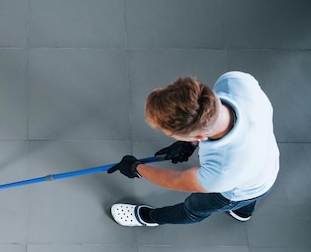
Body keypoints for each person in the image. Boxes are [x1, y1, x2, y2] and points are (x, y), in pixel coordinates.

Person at [107, 71, 279, 227]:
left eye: (171, 134)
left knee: (193, 209)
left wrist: (136, 168)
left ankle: (150, 217)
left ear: (199, 137)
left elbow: (177, 180)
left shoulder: (222, 172)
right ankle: (243, 211)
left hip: (238, 190)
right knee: (249, 185)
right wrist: (189, 143)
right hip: (267, 162)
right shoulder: (235, 82)